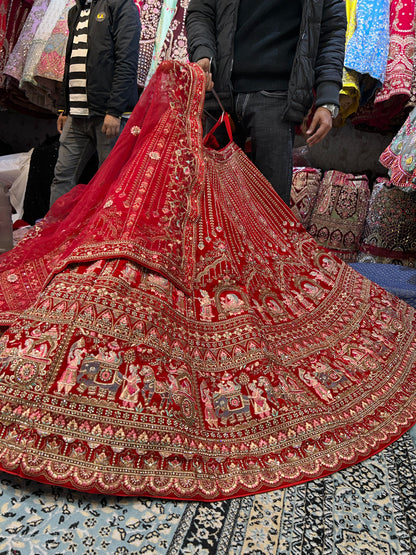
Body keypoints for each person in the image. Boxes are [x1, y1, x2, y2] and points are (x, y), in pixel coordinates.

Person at [0, 62, 414, 501]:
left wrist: (325, 95)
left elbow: (325, 32)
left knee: (261, 232)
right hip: (230, 95)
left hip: (277, 94)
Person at [185, 0, 347, 206]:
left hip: (277, 98)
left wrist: (328, 97)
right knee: (212, 206)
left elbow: (331, 31)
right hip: (220, 95)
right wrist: (202, 53)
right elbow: (201, 11)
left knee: (270, 210)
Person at [49, 0, 141, 208]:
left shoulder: (121, 6)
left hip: (108, 115)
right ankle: (54, 233)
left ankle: (103, 236)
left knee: (109, 183)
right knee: (62, 177)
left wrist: (115, 111)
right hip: (76, 114)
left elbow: (127, 60)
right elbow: (70, 61)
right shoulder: (76, 11)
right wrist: (64, 107)